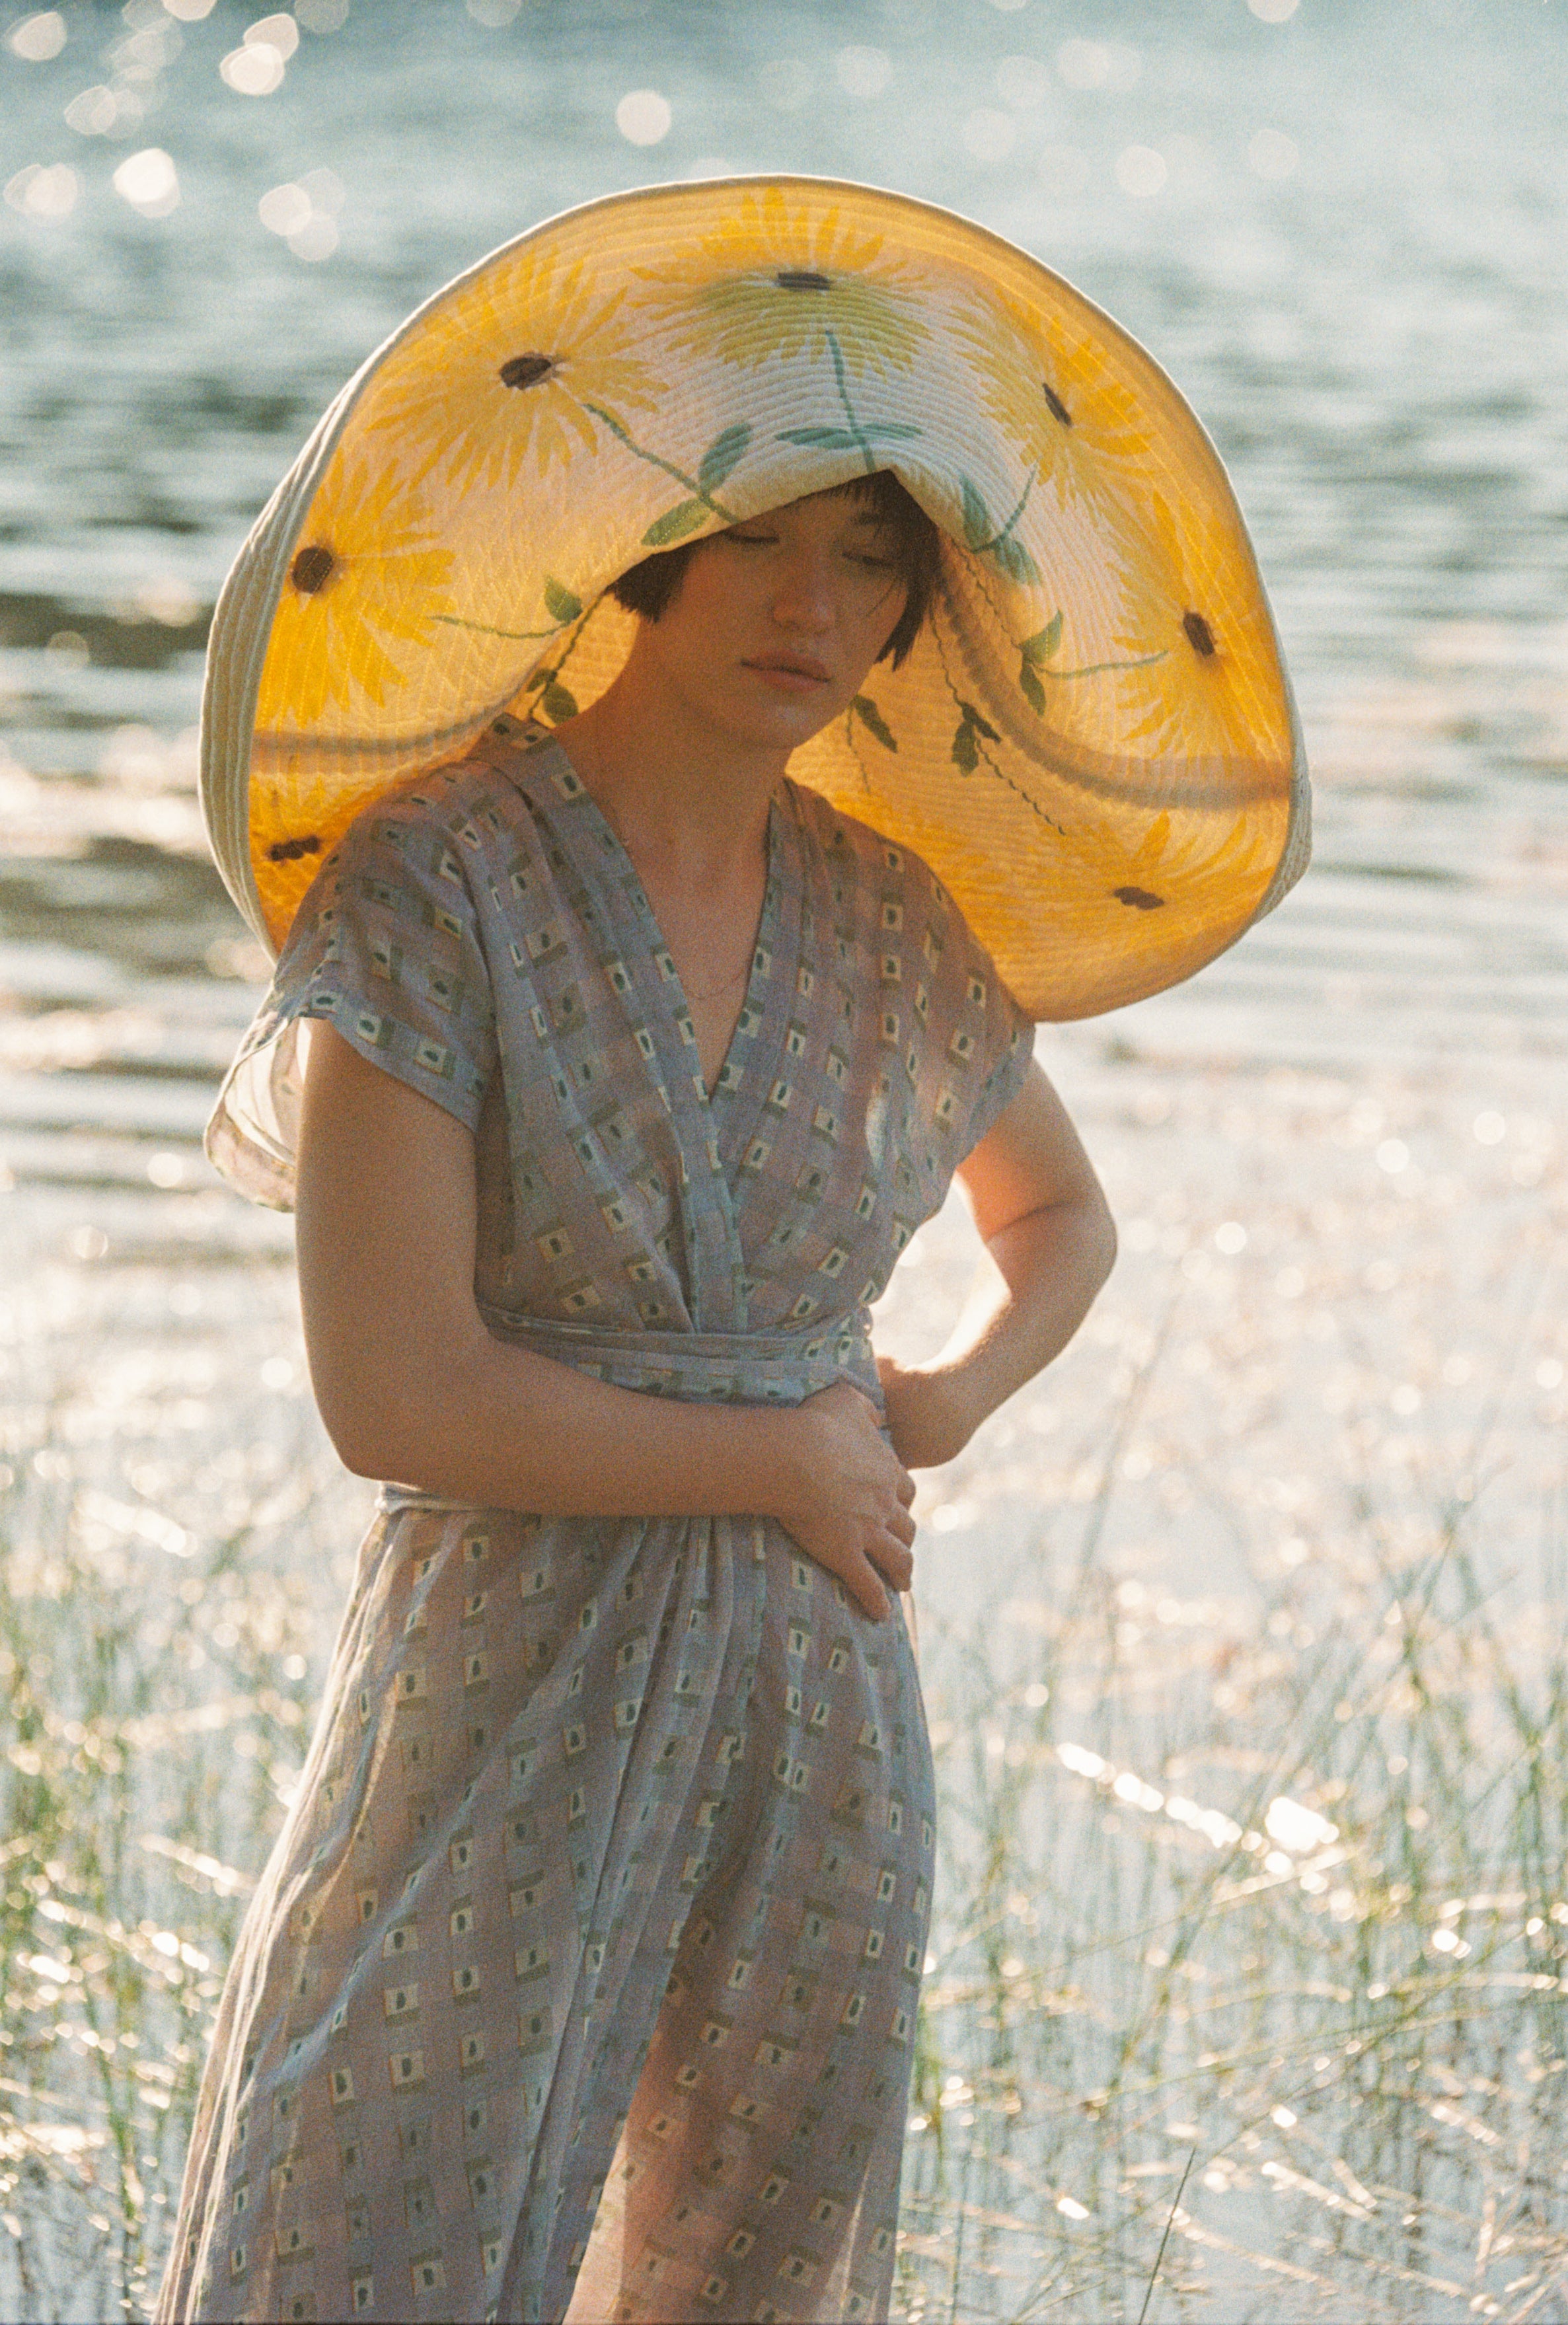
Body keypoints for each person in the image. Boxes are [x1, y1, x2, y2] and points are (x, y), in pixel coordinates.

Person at [159, 178, 1305, 2324]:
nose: (815, 601)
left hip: (815, 1703)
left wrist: (935, 1403)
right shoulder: (437, 886)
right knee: (368, 2221)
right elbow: (391, 1393)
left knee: (746, 2263)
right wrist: (780, 1458)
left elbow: (1061, 1221)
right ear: (653, 540)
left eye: (873, 558)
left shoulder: (889, 919)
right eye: (768, 534)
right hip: (499, 1669)